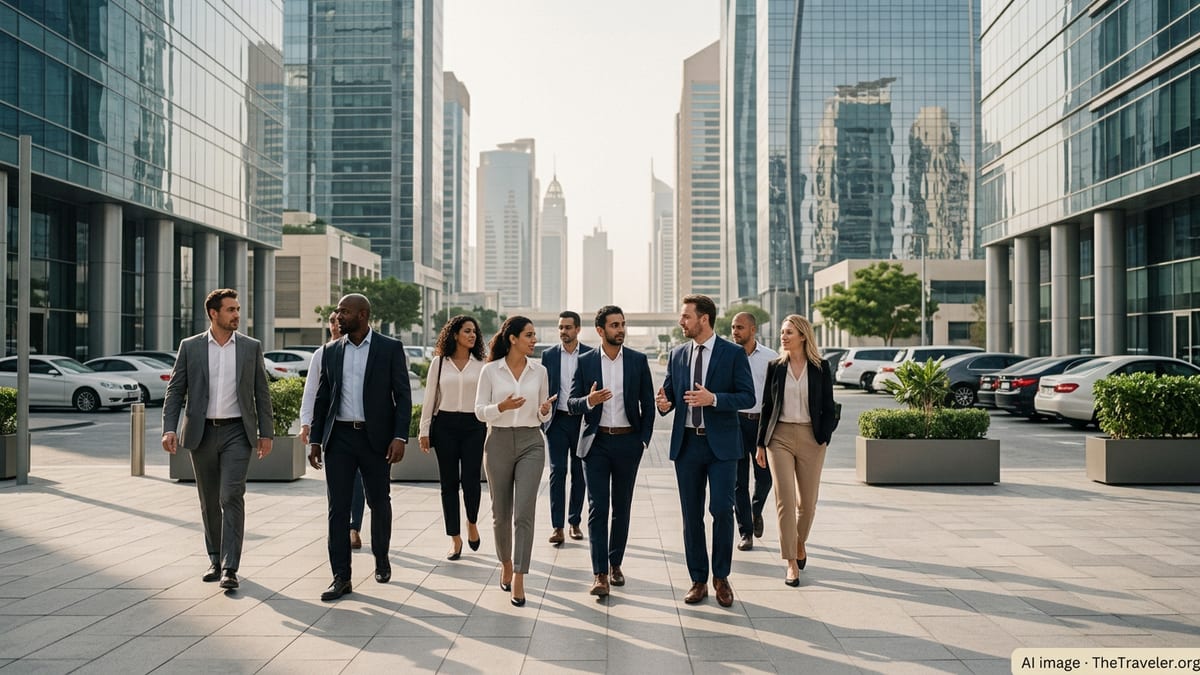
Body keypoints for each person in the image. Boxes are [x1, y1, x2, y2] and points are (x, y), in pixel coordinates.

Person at [161, 288, 273, 591]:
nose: (237, 315)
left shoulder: (250, 347)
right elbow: (175, 390)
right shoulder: (191, 347)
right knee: (209, 501)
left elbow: (261, 392)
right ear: (213, 313)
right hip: (202, 432)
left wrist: (267, 432)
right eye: (231, 310)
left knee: (230, 496)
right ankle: (214, 558)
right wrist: (169, 428)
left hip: (238, 431)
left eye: (238, 309)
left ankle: (230, 567)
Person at [308, 293, 412, 602]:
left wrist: (400, 436)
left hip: (376, 439)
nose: (338, 315)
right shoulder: (330, 351)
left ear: (363, 315)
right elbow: (322, 397)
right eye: (338, 311)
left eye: (344, 311)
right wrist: (316, 438)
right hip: (339, 439)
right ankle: (341, 576)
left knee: (379, 501)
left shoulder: (390, 348)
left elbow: (403, 396)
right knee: (337, 509)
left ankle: (381, 557)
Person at [655, 294, 754, 608]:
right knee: (691, 515)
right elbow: (670, 393)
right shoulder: (677, 354)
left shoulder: (733, 353)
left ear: (704, 319)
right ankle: (698, 580)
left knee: (722, 511)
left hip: (722, 446)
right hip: (687, 446)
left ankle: (721, 577)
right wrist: (664, 403)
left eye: (686, 316)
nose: (681, 322)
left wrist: (714, 400)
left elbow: (747, 396)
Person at [568, 305, 655, 597]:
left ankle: (615, 563)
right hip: (596, 443)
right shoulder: (585, 362)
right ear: (601, 331)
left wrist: (643, 440)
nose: (621, 329)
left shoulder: (638, 360)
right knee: (597, 508)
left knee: (622, 507)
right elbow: (571, 403)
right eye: (615, 325)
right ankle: (599, 574)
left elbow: (648, 406)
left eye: (623, 324)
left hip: (628, 443)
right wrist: (589, 400)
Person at [474, 316, 555, 607]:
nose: (534, 340)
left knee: (523, 512)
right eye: (529, 335)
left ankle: (520, 575)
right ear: (513, 338)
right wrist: (502, 407)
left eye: (534, 335)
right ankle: (505, 562)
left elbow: (544, 415)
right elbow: (480, 411)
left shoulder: (540, 371)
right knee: (500, 512)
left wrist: (545, 410)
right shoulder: (491, 371)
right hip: (497, 441)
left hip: (531, 442)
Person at [755, 314, 837, 587]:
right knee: (785, 501)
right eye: (782, 332)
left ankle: (799, 543)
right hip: (779, 437)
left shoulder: (821, 367)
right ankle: (791, 562)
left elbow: (828, 405)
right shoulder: (775, 367)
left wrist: (824, 436)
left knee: (808, 504)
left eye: (789, 331)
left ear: (803, 335)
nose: (783, 336)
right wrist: (760, 444)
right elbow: (766, 407)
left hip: (811, 438)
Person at [418, 315, 486, 560]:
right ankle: (455, 538)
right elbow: (430, 398)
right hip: (444, 425)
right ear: (455, 334)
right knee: (448, 484)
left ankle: (472, 522)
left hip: (474, 426)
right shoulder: (439, 363)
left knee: (471, 481)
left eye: (474, 332)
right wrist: (424, 430)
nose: (472, 335)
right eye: (467, 331)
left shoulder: (482, 363)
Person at [300, 312, 366, 550]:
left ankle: (353, 527)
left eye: (341, 318)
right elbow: (312, 392)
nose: (337, 324)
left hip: (361, 430)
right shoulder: (324, 353)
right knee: (337, 484)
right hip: (333, 431)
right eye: (332, 320)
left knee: (358, 481)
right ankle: (340, 528)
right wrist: (306, 423)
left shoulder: (363, 350)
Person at [541, 310, 592, 545]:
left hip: (581, 421)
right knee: (557, 471)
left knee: (579, 473)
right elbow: (543, 386)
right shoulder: (549, 355)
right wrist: (544, 416)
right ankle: (557, 527)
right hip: (557, 421)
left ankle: (574, 522)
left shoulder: (590, 355)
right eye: (561, 327)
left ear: (578, 329)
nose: (564, 332)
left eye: (568, 327)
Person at [730, 312, 778, 552]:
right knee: (738, 481)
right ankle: (745, 532)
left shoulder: (771, 358)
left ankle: (755, 511)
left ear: (753, 330)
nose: (735, 331)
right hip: (736, 423)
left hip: (763, 424)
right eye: (733, 327)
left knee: (765, 476)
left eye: (740, 327)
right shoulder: (728, 357)